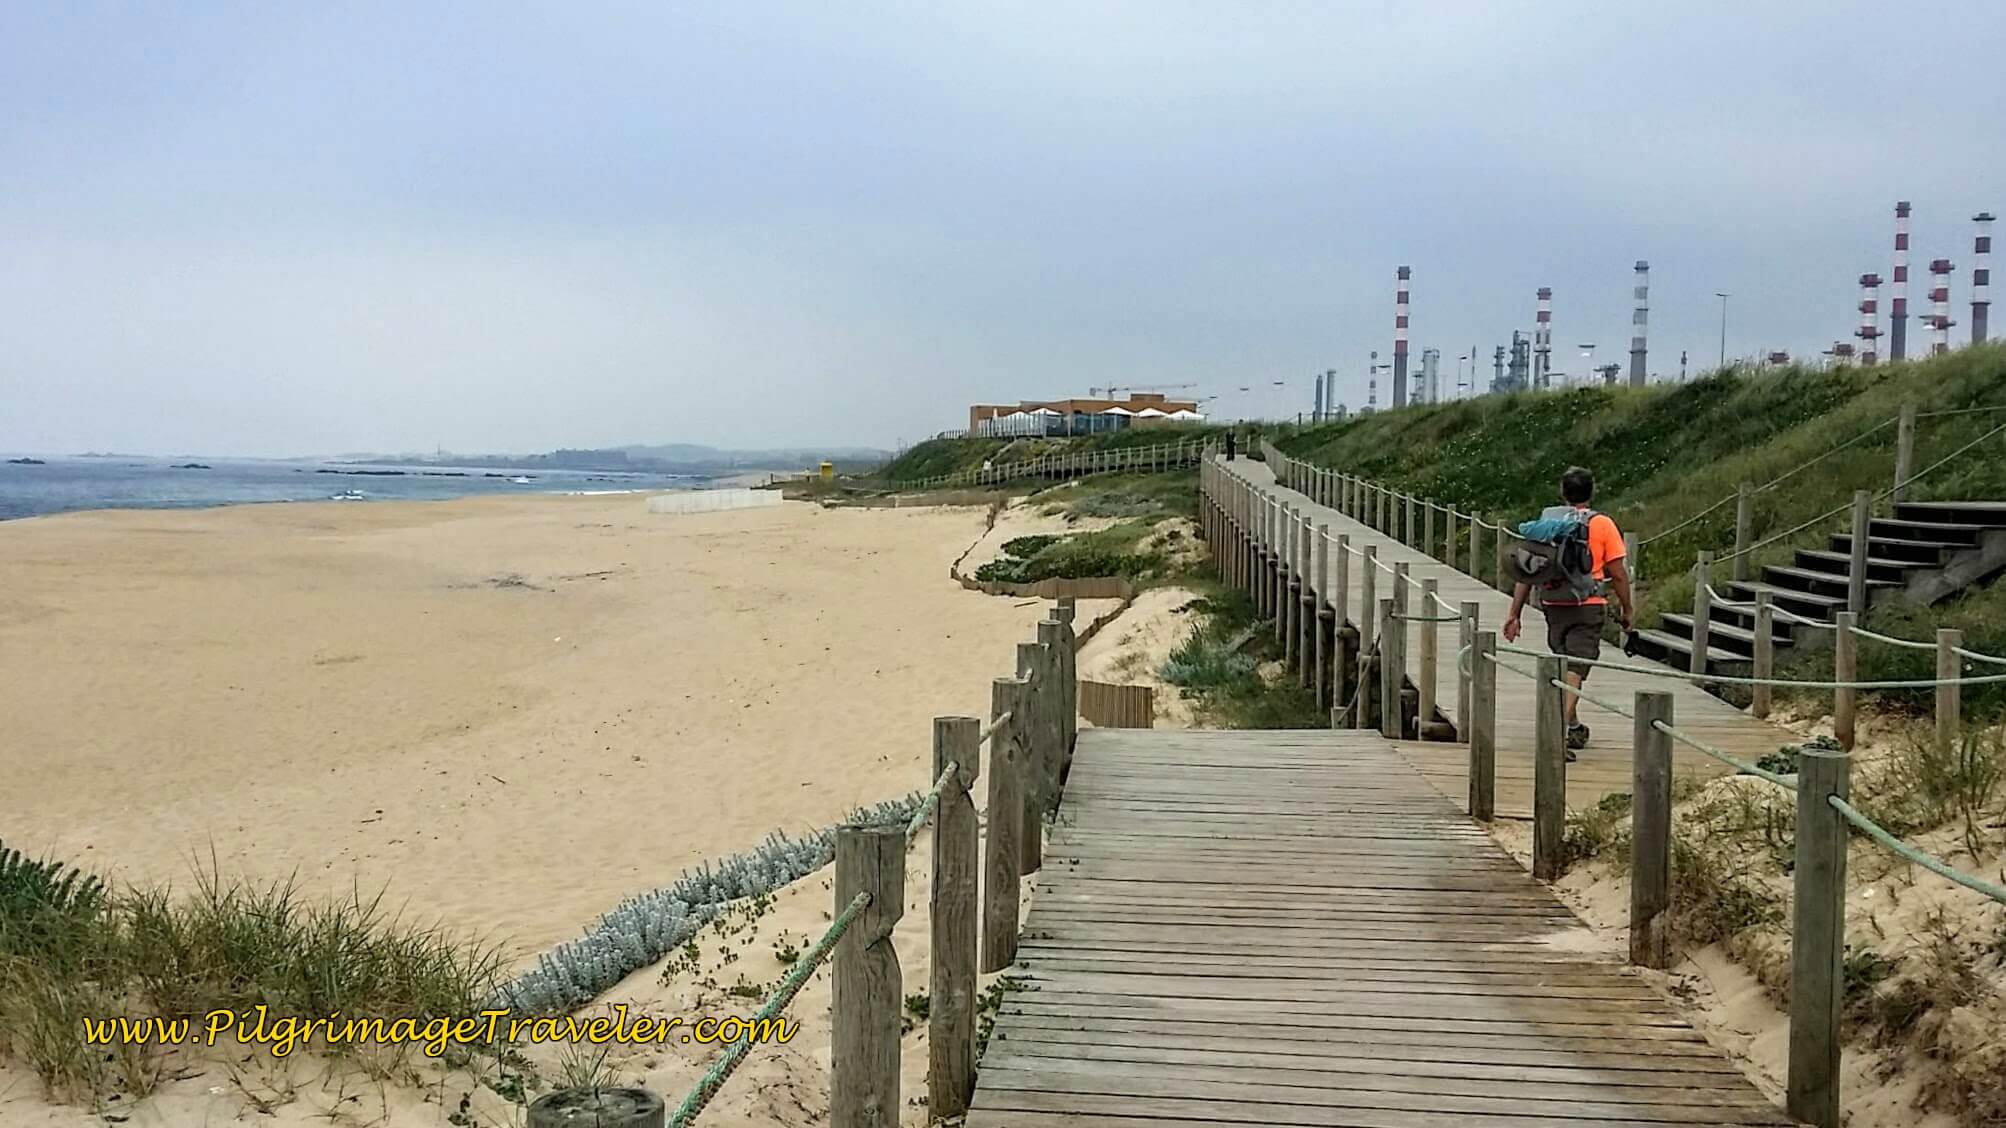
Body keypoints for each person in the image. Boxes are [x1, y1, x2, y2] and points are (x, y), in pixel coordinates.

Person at [1501, 466, 1635, 757]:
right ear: (1592, 491)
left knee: (1565, 668)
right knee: (1575, 669)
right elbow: (1618, 574)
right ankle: (1555, 732)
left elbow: (1528, 572)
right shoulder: (1602, 524)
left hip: (1552, 605)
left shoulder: (1548, 522)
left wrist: (1515, 613)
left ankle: (1573, 726)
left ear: (1562, 493)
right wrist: (1627, 609)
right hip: (1588, 607)